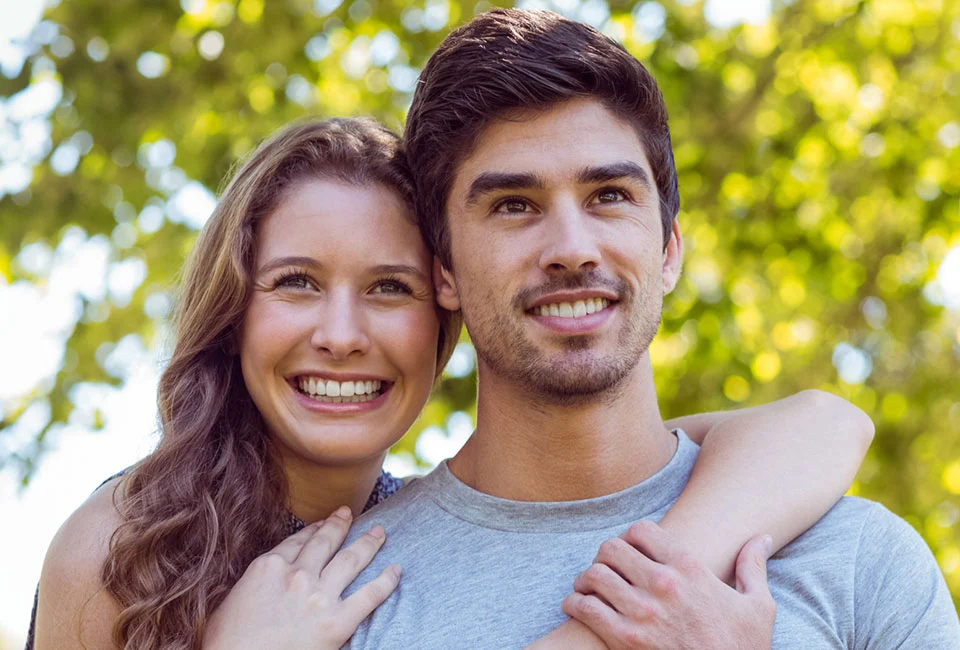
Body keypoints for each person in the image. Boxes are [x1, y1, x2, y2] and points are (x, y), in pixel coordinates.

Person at [32, 117, 872, 650]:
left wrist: (653, 593)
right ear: (233, 312)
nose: (340, 334)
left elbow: (820, 426)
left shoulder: (407, 531)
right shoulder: (124, 547)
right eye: (295, 282)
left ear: (446, 303)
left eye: (387, 288)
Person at [332, 9, 960, 650]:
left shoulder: (857, 560)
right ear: (445, 272)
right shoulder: (338, 603)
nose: (572, 249)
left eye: (609, 195)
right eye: (514, 205)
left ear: (668, 251)